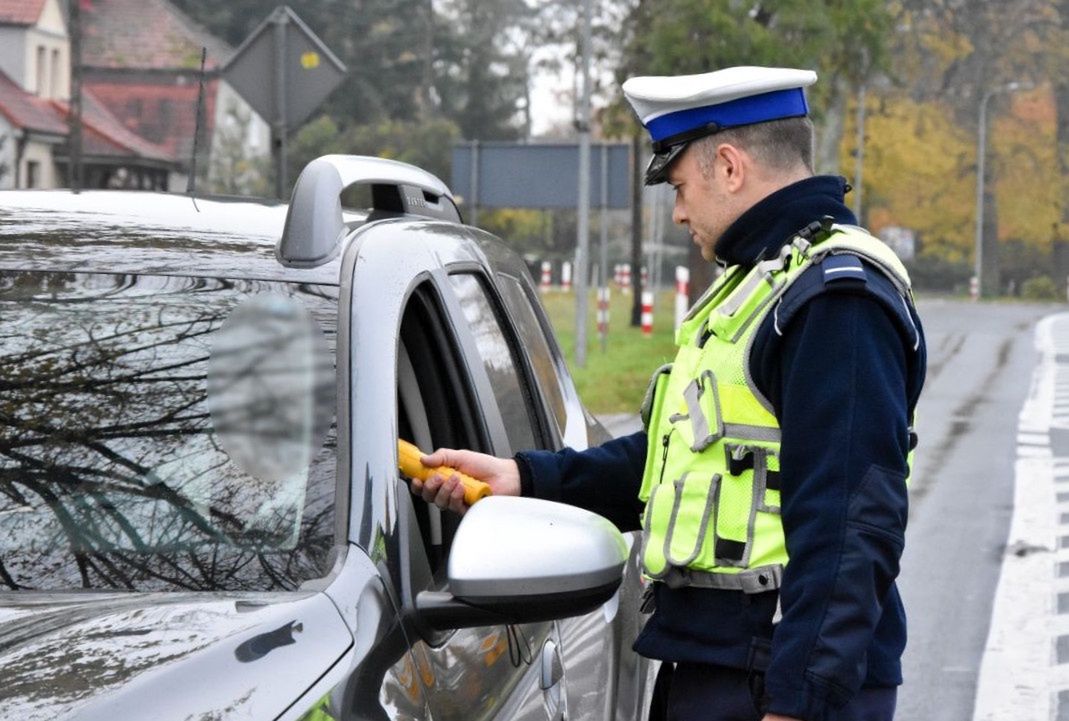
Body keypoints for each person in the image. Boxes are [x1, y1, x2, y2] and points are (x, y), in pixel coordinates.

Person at [410, 66, 926, 721]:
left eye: (679, 186)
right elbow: (667, 462)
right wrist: (523, 478)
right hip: (720, 664)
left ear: (730, 166)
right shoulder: (754, 288)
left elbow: (850, 524)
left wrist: (798, 704)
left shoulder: (835, 301)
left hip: (774, 678)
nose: (678, 211)